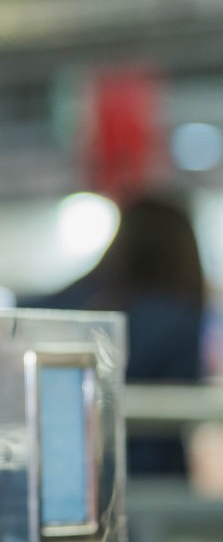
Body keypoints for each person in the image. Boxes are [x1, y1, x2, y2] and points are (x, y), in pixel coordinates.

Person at [36, 194, 206, 474]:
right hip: (150, 475)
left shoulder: (68, 303)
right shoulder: (177, 317)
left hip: (63, 466)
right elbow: (183, 400)